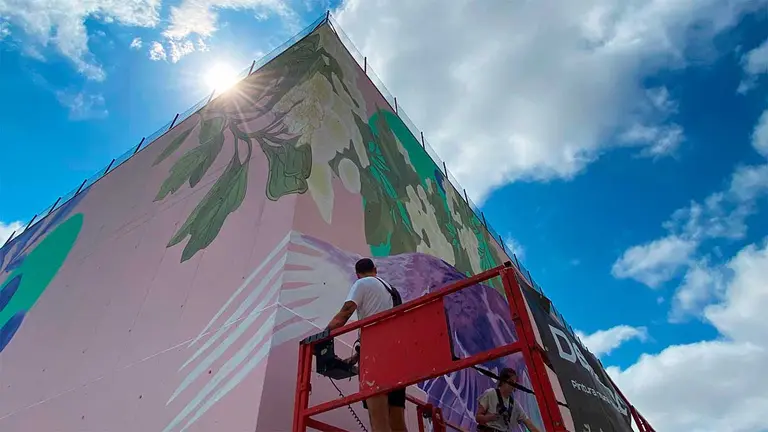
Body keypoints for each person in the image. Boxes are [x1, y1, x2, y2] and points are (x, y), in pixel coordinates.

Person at [325, 258, 407, 432]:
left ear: (357, 274)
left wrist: (323, 335)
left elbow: (345, 314)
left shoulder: (362, 283)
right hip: (398, 356)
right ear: (375, 270)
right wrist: (357, 356)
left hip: (376, 354)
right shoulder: (392, 291)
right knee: (397, 421)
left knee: (378, 419)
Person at [476, 368, 541, 432]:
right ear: (503, 381)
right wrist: (489, 418)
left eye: (515, 384)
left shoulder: (515, 404)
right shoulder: (491, 393)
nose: (513, 386)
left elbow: (530, 425)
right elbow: (478, 417)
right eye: (511, 382)